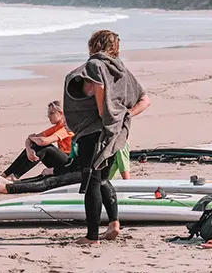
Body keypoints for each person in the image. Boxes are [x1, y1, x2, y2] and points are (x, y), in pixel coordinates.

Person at [64, 30, 150, 245]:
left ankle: (92, 237)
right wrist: (125, 115)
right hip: (116, 133)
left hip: (95, 133)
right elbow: (145, 100)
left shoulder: (95, 64)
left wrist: (105, 113)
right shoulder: (121, 69)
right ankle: (113, 224)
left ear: (94, 44)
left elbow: (99, 85)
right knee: (103, 179)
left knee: (93, 180)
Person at [2, 101, 74, 180]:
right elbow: (29, 139)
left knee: (44, 147)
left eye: (51, 113)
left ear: (60, 113)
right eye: (48, 114)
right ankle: (5, 174)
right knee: (35, 144)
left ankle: (15, 175)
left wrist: (32, 138)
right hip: (61, 160)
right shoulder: (56, 127)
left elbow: (43, 142)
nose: (49, 116)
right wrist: (29, 150)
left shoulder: (67, 128)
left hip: (71, 163)